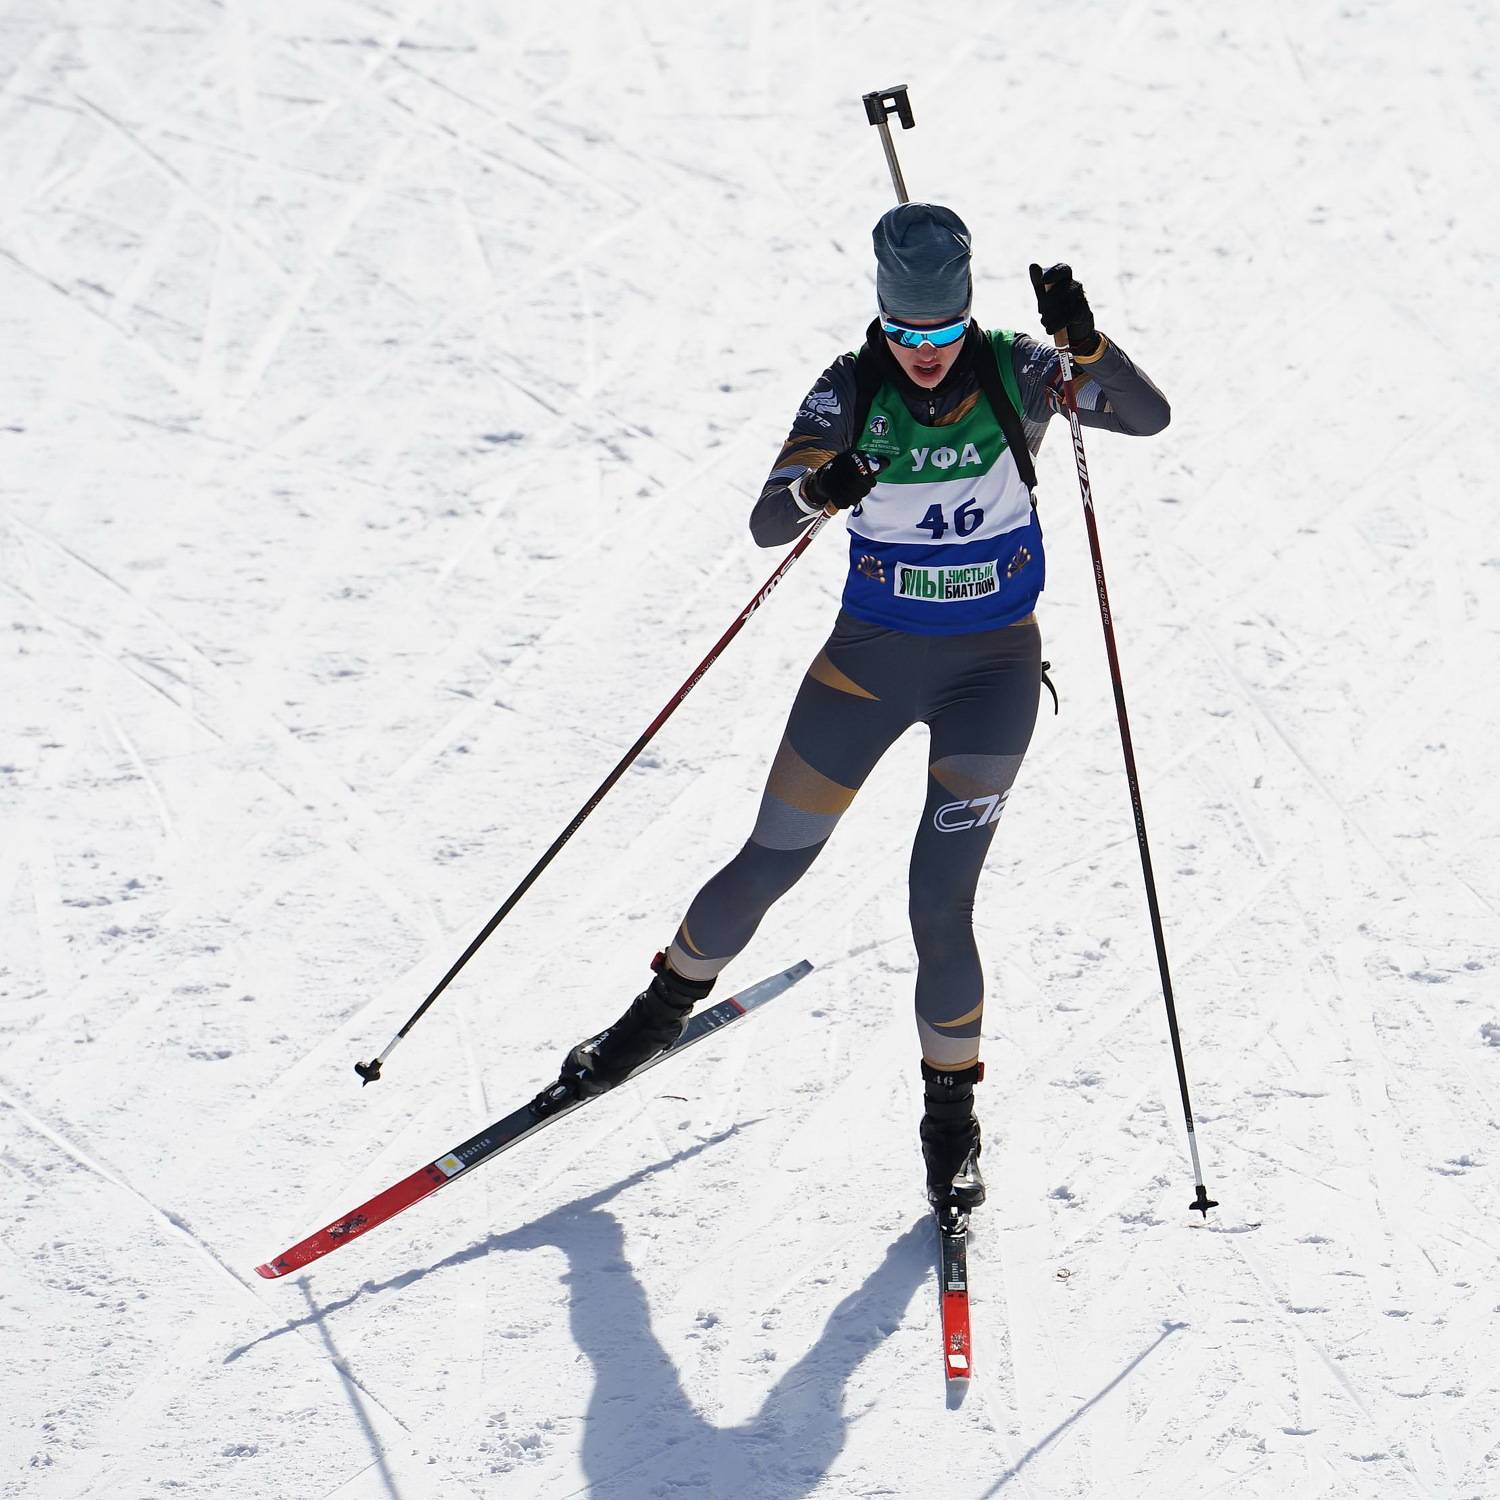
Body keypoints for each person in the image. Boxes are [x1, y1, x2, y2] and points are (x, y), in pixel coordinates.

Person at [543, 203, 1170, 1221]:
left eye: (943, 329)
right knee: (772, 858)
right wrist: (819, 487)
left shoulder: (1020, 370)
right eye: (905, 331)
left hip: (992, 677)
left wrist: (1085, 346)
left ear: (968, 315)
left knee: (939, 905)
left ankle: (950, 1129)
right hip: (866, 668)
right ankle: (651, 1021)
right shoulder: (849, 389)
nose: (925, 352)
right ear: (881, 318)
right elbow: (766, 522)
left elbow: (1144, 417)